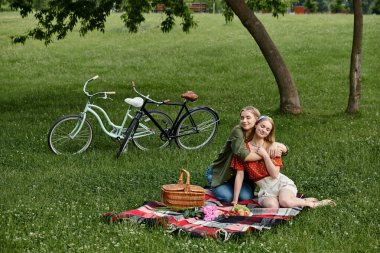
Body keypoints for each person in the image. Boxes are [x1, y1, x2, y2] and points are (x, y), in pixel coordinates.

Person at [230, 115, 336, 208]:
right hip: (265, 190)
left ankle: (312, 204)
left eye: (267, 129)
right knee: (273, 206)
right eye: (262, 126)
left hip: (280, 183)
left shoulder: (272, 147)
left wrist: (265, 155)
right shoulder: (244, 150)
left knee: (285, 202)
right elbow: (240, 175)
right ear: (256, 125)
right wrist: (235, 200)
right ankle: (299, 200)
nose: (264, 130)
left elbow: (275, 174)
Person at [206, 106, 287, 203]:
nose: (244, 121)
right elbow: (244, 156)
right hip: (222, 173)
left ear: (257, 121)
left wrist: (278, 145)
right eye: (242, 117)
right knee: (227, 197)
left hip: (240, 174)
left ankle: (231, 189)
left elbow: (274, 143)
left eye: (248, 117)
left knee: (245, 198)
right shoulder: (238, 131)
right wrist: (267, 154)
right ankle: (215, 186)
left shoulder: (259, 131)